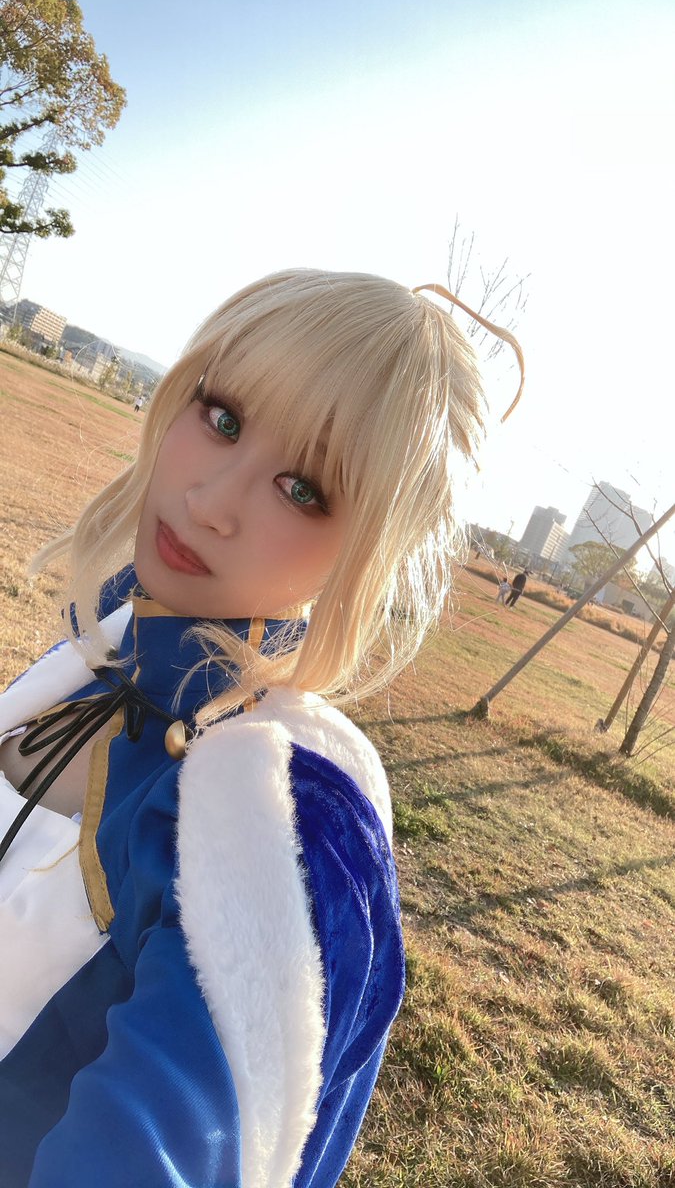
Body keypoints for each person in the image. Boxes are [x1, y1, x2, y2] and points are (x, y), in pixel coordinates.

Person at [0, 269, 522, 1187]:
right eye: (223, 418)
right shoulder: (109, 645)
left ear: (369, 551)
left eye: (303, 489)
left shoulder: (284, 818)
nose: (211, 500)